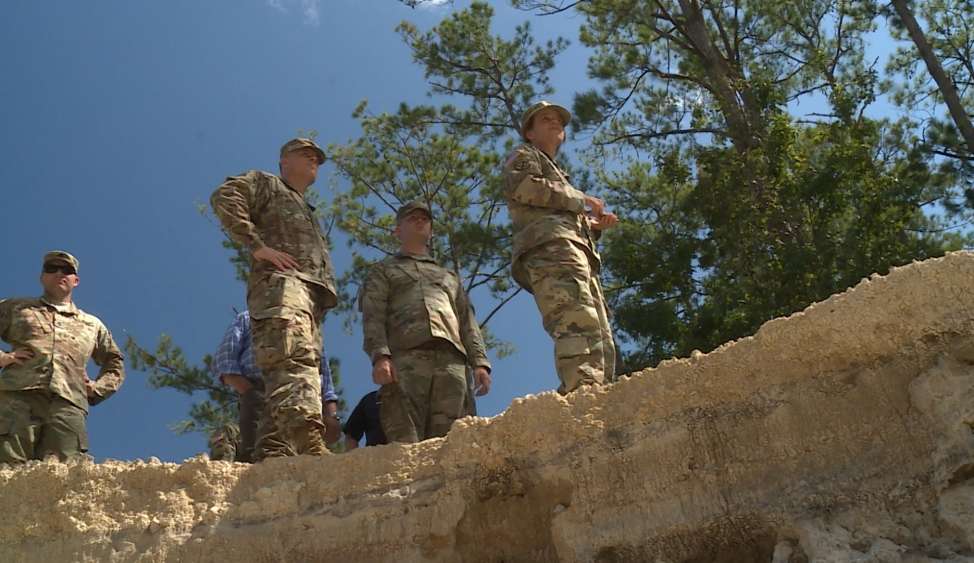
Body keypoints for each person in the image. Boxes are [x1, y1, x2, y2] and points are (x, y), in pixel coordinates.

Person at [210, 138, 339, 459]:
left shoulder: (307, 210)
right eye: (305, 154)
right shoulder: (267, 184)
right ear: (284, 161)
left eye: (317, 158)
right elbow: (226, 195)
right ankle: (308, 442)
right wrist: (256, 245)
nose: (313, 160)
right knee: (292, 360)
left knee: (304, 365)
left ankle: (276, 450)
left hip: (310, 296)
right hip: (283, 287)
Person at [502, 101, 619, 394]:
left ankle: (596, 395)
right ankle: (584, 397)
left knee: (600, 334)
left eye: (559, 121)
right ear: (529, 132)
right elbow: (525, 187)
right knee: (576, 323)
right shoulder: (524, 155)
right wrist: (581, 199)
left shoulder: (558, 172)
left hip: (574, 251)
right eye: (546, 119)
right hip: (551, 249)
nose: (556, 123)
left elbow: (558, 210)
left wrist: (593, 227)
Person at [359, 201, 492, 443]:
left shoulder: (448, 276)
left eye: (425, 218)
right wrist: (380, 356)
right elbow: (373, 315)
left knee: (455, 443)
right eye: (412, 218)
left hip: (452, 364)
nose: (420, 221)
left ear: (431, 231)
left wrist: (480, 363)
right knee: (406, 445)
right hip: (405, 363)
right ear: (397, 231)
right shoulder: (384, 271)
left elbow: (467, 321)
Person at [0, 251, 125, 463]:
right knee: (6, 469)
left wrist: (97, 388)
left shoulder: (92, 324)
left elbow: (115, 361)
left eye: (66, 270)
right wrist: (3, 357)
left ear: (75, 281)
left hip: (68, 404)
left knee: (64, 475)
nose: (59, 273)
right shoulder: (16, 307)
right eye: (52, 269)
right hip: (17, 398)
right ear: (42, 277)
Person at [209, 310, 341, 462]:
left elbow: (325, 381)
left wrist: (331, 417)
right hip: (261, 392)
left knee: (303, 460)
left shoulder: (308, 326)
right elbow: (225, 363)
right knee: (258, 456)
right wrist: (252, 393)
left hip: (304, 399)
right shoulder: (248, 318)